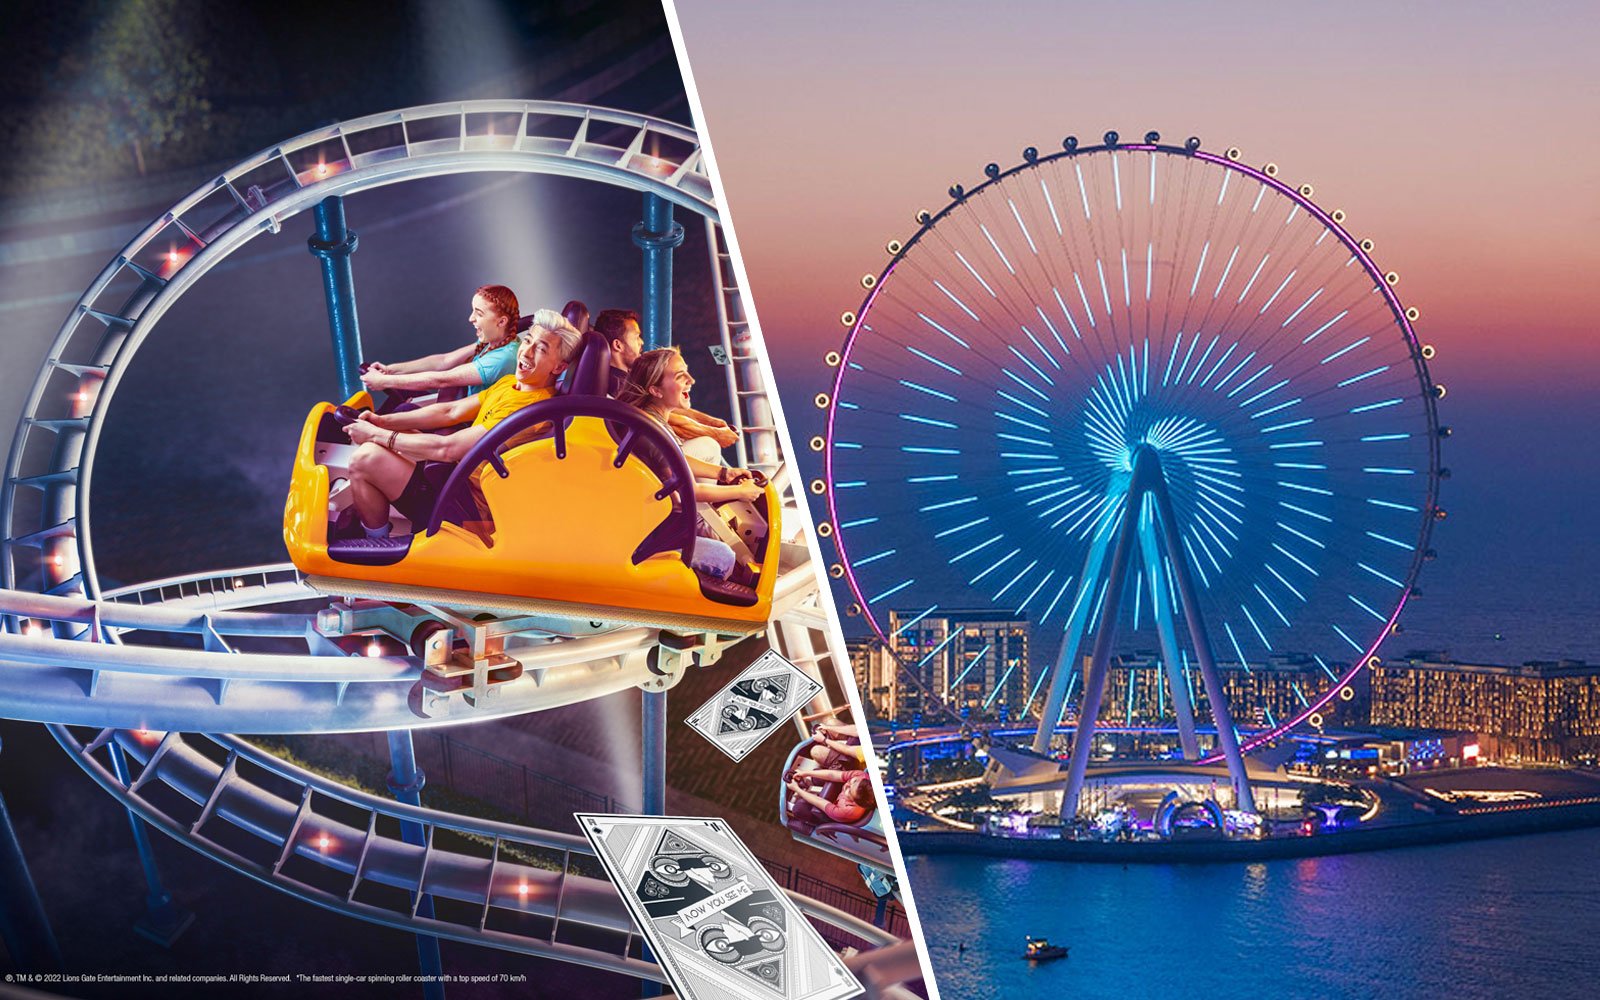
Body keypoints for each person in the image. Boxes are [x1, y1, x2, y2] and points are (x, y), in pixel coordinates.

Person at [339, 312, 581, 537]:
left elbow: (447, 449)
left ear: (559, 367)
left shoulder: (527, 410)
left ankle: (375, 544)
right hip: (456, 475)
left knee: (364, 459)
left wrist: (374, 435)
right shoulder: (511, 384)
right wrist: (381, 422)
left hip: (467, 506)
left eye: (540, 349)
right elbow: (450, 411)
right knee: (392, 434)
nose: (526, 353)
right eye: (527, 341)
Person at [617, 347, 764, 581]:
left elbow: (678, 460)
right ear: (655, 390)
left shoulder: (651, 419)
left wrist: (724, 472)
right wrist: (740, 491)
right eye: (679, 376)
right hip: (645, 535)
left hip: (651, 511)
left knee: (707, 445)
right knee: (723, 557)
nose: (691, 380)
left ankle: (702, 523)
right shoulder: (650, 432)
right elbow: (688, 490)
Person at [359, 285, 522, 397]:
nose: (471, 318)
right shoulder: (495, 341)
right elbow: (444, 360)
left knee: (404, 408)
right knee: (407, 395)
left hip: (468, 423)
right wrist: (390, 370)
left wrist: (384, 381)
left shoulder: (503, 358)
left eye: (478, 314)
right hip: (457, 405)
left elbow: (441, 379)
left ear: (501, 322)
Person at [787, 767, 876, 827]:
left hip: (833, 814)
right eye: (853, 781)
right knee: (816, 772)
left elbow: (818, 802)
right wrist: (806, 773)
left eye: (849, 791)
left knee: (799, 808)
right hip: (837, 800)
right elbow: (834, 775)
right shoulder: (861, 776)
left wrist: (797, 789)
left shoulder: (845, 812)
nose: (846, 785)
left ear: (855, 802)